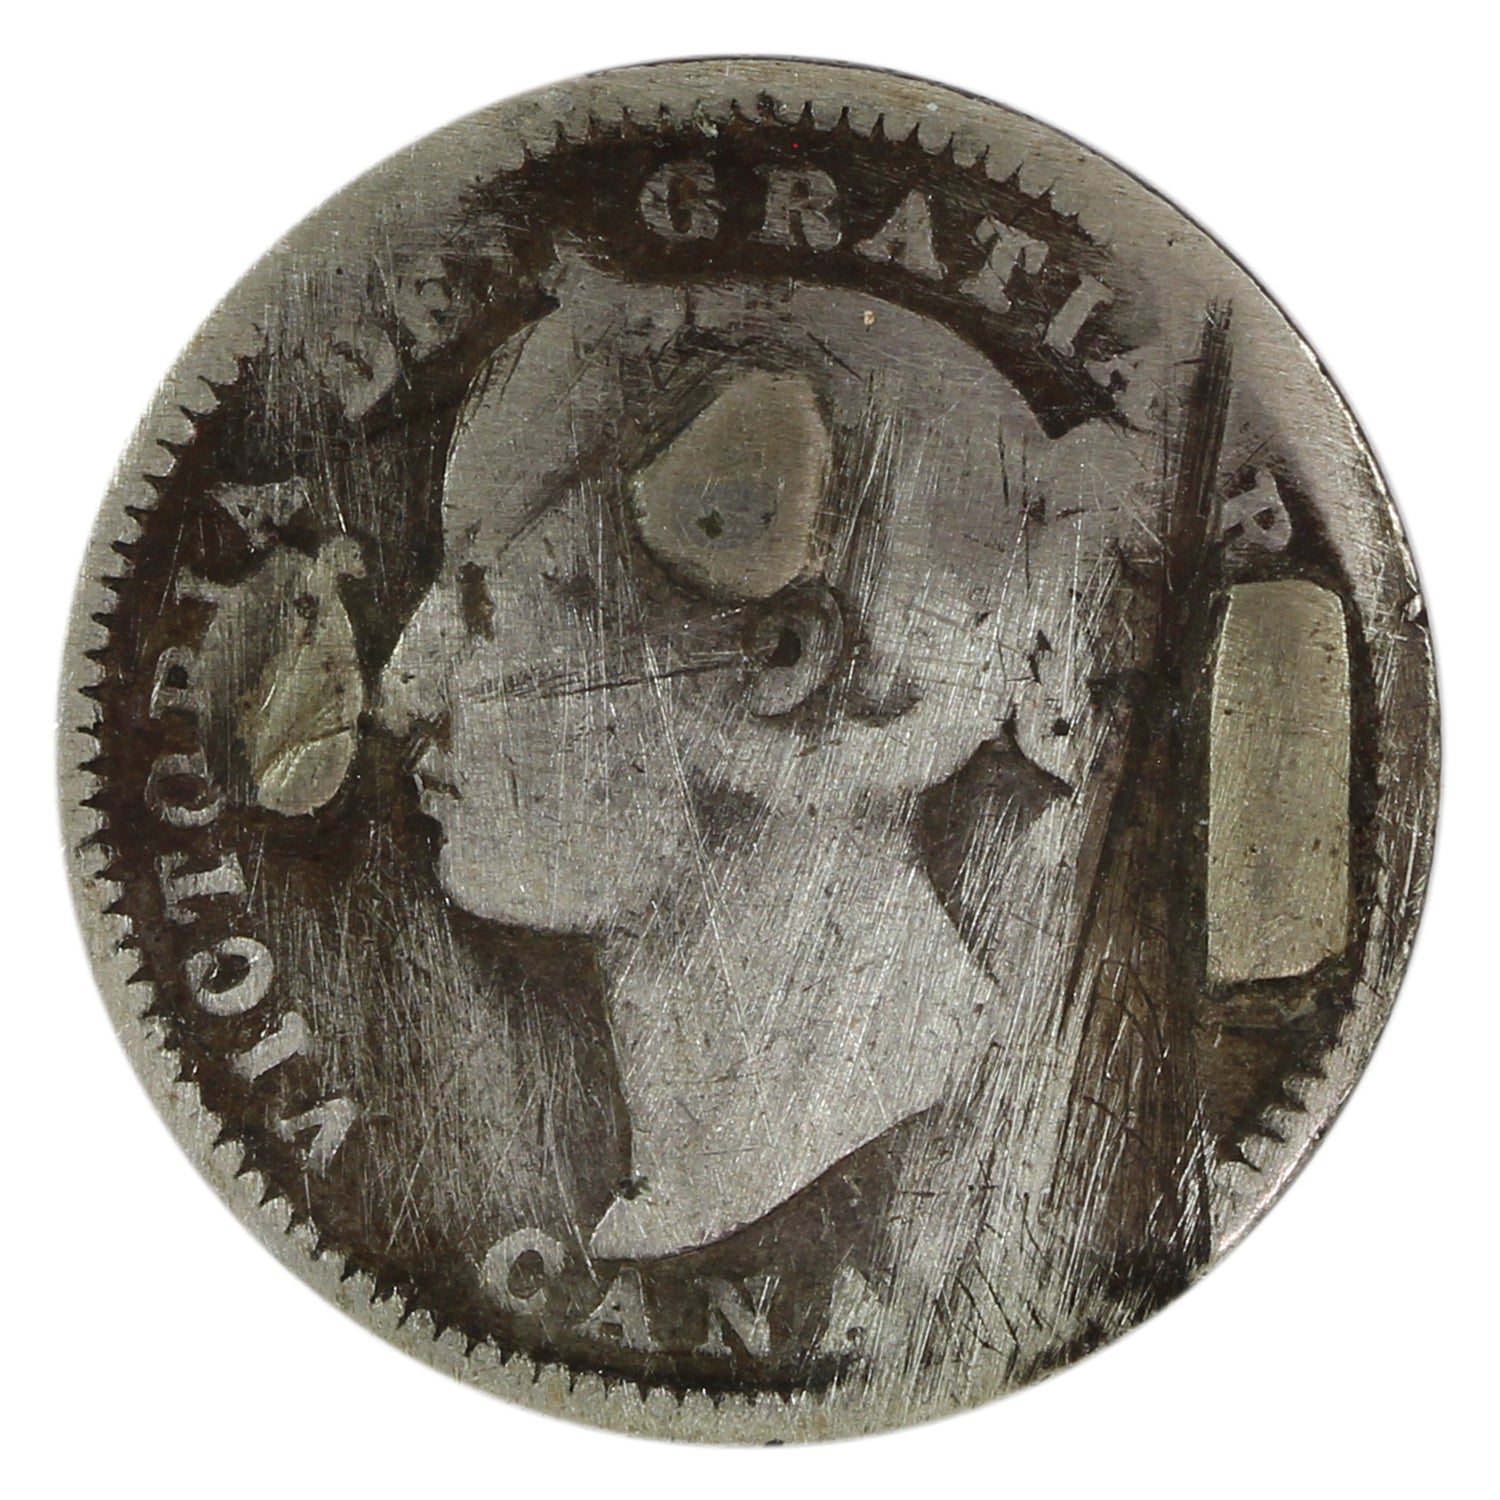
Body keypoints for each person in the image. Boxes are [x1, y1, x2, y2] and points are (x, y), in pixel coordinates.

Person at [376, 255, 1206, 1387]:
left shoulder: (992, 1161)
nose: (401, 689)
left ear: (782, 663)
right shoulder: (756, 1164)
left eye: (483, 606)